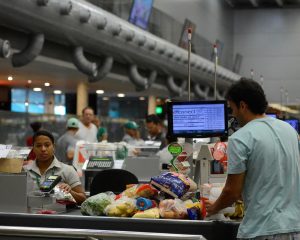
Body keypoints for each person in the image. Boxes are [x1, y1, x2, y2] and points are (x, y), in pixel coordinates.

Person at [206, 78, 300, 239]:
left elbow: (232, 192)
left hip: (261, 230)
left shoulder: (241, 138)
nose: (233, 114)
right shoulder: (289, 131)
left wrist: (213, 208)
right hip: (293, 227)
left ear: (243, 106)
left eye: (233, 108)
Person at [24, 130, 86, 204]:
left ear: (53, 147)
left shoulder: (68, 170)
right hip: (29, 214)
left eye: (47, 145)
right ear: (33, 148)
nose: (43, 149)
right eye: (38, 146)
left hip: (58, 214)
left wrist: (70, 192)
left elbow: (83, 199)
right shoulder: (24, 171)